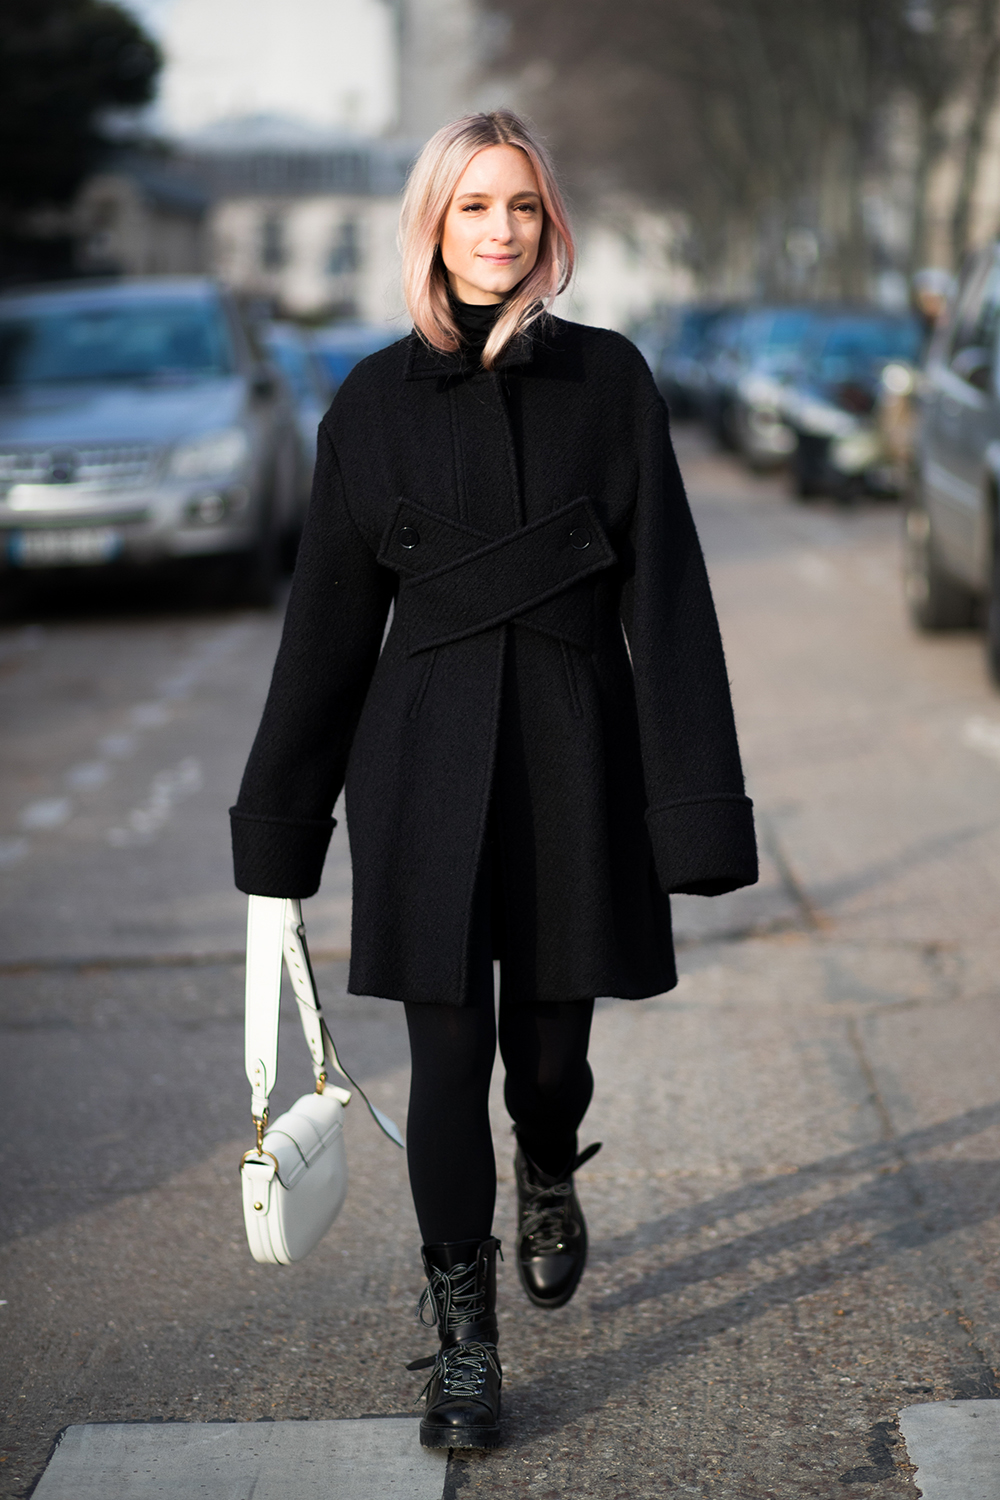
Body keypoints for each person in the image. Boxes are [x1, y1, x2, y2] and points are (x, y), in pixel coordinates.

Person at [230, 109, 757, 1450]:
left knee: (550, 1061)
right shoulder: (369, 401)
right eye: (474, 206)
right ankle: (466, 1346)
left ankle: (550, 1162)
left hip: (576, 757)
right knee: (445, 1058)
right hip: (425, 767)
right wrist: (280, 844)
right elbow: (328, 637)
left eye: (521, 205)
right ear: (435, 226)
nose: (501, 229)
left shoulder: (612, 381)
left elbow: (672, 602)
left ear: (551, 226)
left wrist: (690, 798)